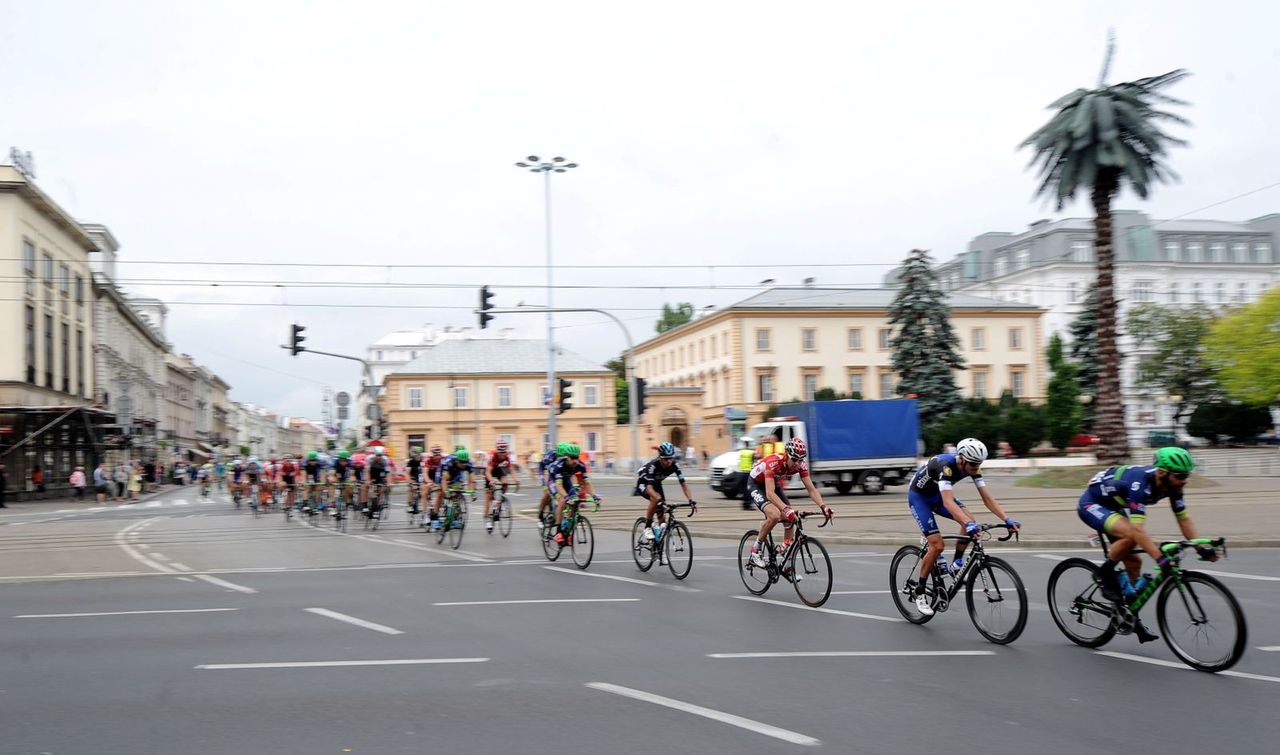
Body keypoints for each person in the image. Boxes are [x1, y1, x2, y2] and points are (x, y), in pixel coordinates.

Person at [1076, 447, 1215, 642]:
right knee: (1132, 535)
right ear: (1161, 473)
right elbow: (1138, 530)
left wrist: (1201, 548)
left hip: (1114, 504)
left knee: (1134, 563)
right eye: (1181, 475)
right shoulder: (1139, 485)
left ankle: (1128, 615)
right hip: (1092, 504)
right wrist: (1159, 559)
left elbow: (1183, 519)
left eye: (1187, 475)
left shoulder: (1174, 486)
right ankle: (1103, 573)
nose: (1185, 480)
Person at [906, 438, 1020, 617]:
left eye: (979, 464)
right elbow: (948, 502)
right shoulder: (946, 466)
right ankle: (920, 592)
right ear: (962, 459)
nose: (976, 467)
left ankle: (957, 564)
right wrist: (968, 524)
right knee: (938, 545)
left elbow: (987, 499)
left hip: (937, 495)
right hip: (920, 498)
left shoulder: (973, 467)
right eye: (973, 464)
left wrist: (1007, 519)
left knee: (970, 518)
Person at [746, 438, 832, 573]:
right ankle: (755, 550)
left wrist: (823, 506)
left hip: (774, 483)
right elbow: (769, 493)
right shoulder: (774, 462)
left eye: (800, 460)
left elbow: (811, 489)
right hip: (757, 484)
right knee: (774, 515)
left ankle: (785, 557)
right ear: (786, 455)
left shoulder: (801, 465)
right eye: (794, 459)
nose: (797, 464)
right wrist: (785, 509)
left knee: (789, 518)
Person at [635, 442, 696, 544]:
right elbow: (650, 489)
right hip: (644, 484)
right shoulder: (653, 466)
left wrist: (690, 500)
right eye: (666, 459)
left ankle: (660, 550)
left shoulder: (675, 465)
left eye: (671, 458)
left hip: (657, 484)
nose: (669, 461)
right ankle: (647, 527)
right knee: (655, 499)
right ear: (660, 458)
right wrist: (659, 500)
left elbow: (683, 484)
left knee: (662, 520)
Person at [546, 443, 598, 546]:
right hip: (554, 482)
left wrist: (594, 496)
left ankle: (567, 530)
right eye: (572, 458)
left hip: (566, 481)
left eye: (576, 458)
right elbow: (559, 486)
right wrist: (566, 497)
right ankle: (558, 531)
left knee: (575, 501)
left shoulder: (580, 465)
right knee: (562, 501)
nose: (575, 461)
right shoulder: (559, 466)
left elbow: (587, 482)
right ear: (567, 457)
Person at [431, 448, 474, 530]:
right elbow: (443, 480)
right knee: (441, 493)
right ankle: (435, 517)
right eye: (461, 462)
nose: (464, 464)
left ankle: (455, 517)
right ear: (457, 460)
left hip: (456, 473)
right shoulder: (448, 462)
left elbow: (472, 480)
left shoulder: (468, 463)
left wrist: (472, 492)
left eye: (465, 462)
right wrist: (446, 492)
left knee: (458, 490)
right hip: (443, 472)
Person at [483, 440, 514, 533]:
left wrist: (516, 480)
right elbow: (488, 472)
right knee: (488, 495)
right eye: (500, 453)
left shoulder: (507, 457)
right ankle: (488, 517)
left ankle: (499, 501)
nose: (502, 454)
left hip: (500, 471)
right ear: (497, 451)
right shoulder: (493, 456)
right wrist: (491, 480)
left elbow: (511, 470)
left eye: (504, 452)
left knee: (505, 483)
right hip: (491, 472)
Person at [737, 435, 756, 511]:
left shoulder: (741, 452)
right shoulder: (752, 452)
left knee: (744, 490)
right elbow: (753, 462)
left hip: (742, 472)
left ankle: (744, 504)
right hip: (749, 473)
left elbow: (739, 461)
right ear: (749, 444)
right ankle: (748, 504)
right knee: (749, 490)